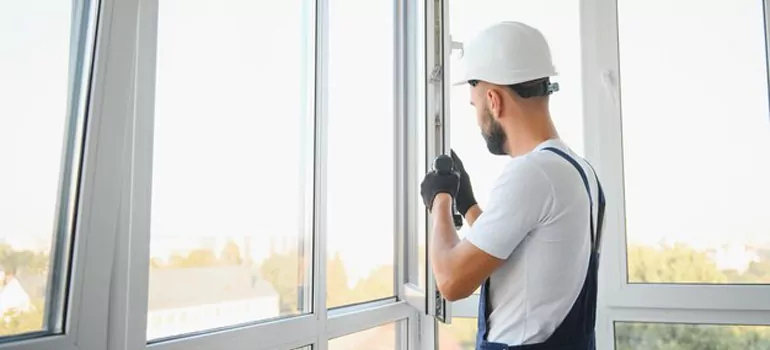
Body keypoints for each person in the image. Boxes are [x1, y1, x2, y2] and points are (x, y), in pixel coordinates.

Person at [419, 21, 605, 349]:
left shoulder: (533, 173)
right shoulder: (577, 170)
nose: (477, 119)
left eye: (476, 106)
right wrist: (468, 204)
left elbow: (450, 281)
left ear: (494, 100)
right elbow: (519, 253)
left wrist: (441, 200)